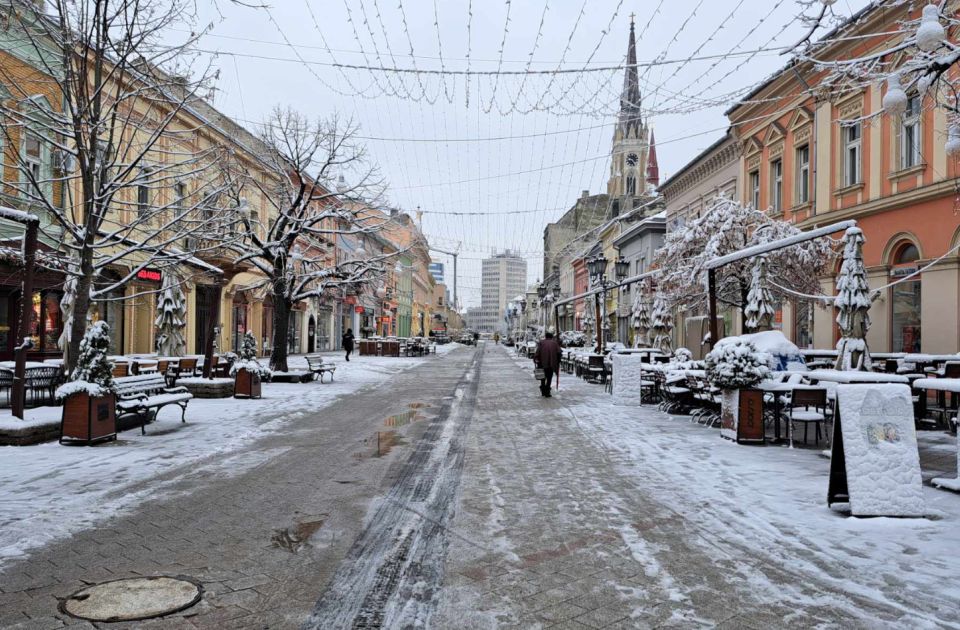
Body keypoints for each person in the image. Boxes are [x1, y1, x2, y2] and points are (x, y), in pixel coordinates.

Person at [533, 327, 561, 398]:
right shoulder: (555, 343)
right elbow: (559, 352)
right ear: (551, 337)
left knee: (543, 377)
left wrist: (536, 359)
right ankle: (547, 392)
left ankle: (543, 389)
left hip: (542, 363)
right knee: (549, 378)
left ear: (545, 337)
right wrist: (558, 361)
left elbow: (537, 352)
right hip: (551, 364)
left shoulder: (541, 343)